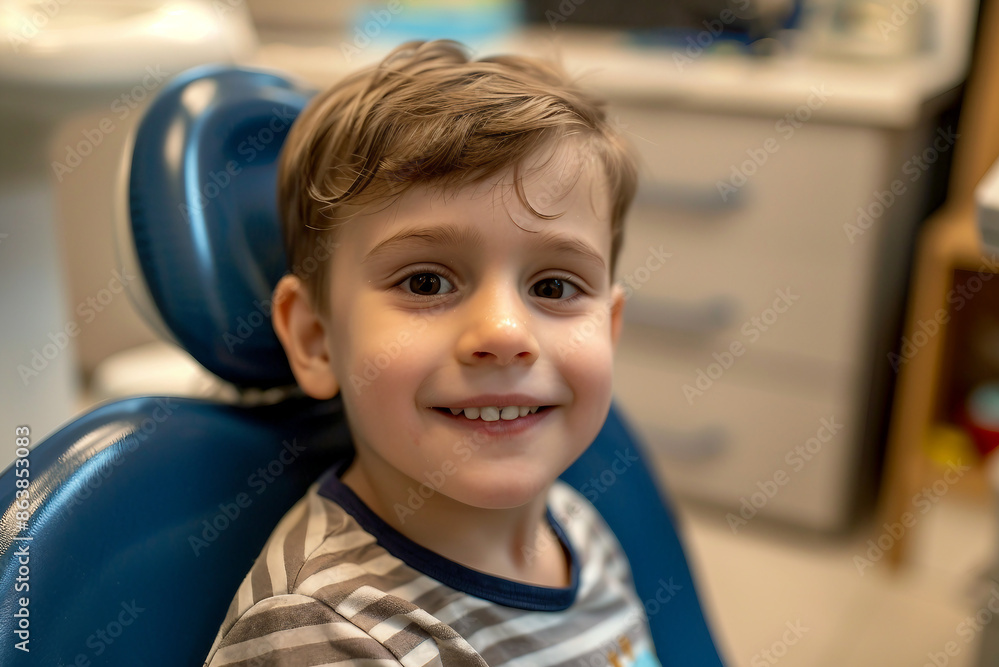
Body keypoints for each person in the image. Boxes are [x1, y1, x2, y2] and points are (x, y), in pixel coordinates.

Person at [203, 39, 659, 666]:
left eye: (553, 287)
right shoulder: (333, 633)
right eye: (426, 282)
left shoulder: (576, 522)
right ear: (315, 338)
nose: (504, 333)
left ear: (608, 330)